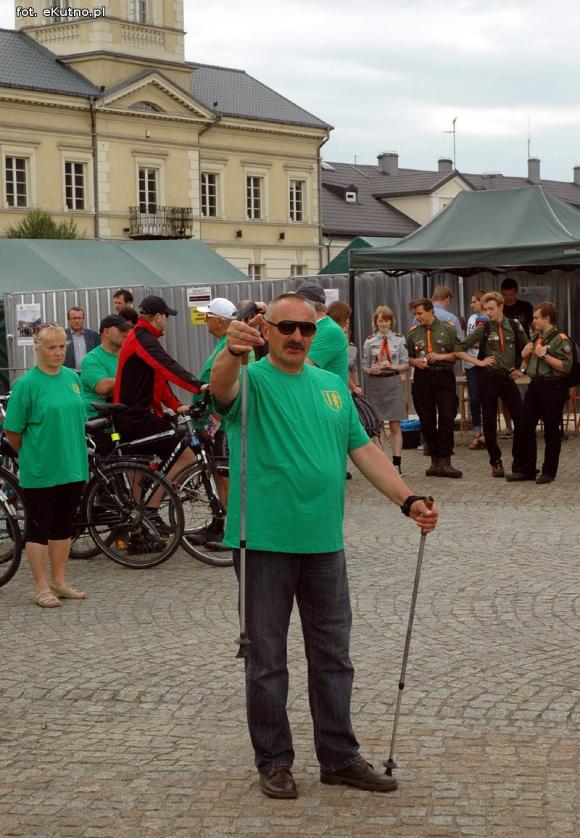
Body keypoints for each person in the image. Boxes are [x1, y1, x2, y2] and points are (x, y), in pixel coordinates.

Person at [209, 292, 438, 799]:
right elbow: (220, 389)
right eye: (286, 327)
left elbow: (363, 450)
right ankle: (274, 760)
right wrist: (230, 350)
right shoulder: (250, 378)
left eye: (305, 329)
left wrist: (407, 500)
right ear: (266, 330)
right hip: (262, 542)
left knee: (334, 656)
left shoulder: (332, 387)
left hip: (323, 543)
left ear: (317, 333)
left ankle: (339, 757)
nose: (296, 337)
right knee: (266, 659)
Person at [4, 324, 89, 608]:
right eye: (52, 347)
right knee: (39, 527)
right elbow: (13, 431)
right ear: (38, 350)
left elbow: (78, 415)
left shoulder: (71, 377)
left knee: (64, 527)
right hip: (41, 468)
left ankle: (59, 581)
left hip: (73, 464)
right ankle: (41, 586)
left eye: (62, 346)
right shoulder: (27, 385)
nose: (58, 352)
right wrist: (32, 453)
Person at [114, 296, 203, 480]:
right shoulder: (142, 337)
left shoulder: (142, 335)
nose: (168, 320)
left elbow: (158, 378)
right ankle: (150, 506)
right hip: (135, 417)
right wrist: (199, 386)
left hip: (135, 414)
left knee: (140, 467)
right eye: (167, 316)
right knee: (185, 458)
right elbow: (167, 365)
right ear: (158, 317)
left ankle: (144, 507)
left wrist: (175, 405)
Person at [455, 291, 528, 478]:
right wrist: (479, 363)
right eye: (486, 309)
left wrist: (522, 369)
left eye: (491, 309)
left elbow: (528, 349)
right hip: (488, 378)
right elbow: (459, 349)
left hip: (507, 378)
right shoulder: (483, 328)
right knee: (489, 421)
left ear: (501, 307)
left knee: (521, 418)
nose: (488, 312)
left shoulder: (514, 325)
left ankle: (518, 460)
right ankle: (495, 461)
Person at [506, 302, 573, 484]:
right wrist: (524, 360)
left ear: (547, 319)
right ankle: (527, 469)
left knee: (551, 431)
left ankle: (549, 472)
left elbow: (565, 367)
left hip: (553, 387)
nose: (533, 321)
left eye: (536, 318)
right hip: (535, 386)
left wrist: (545, 355)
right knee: (524, 426)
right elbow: (530, 365)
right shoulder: (537, 338)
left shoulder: (561, 339)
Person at [191, 297, 237, 543]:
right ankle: (219, 524)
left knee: (224, 473)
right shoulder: (223, 342)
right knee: (218, 473)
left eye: (208, 316)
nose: (205, 319)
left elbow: (232, 381)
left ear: (220, 321)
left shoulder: (230, 344)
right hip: (214, 418)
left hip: (221, 421)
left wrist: (216, 416)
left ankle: (228, 528)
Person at [406, 298, 462, 478]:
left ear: (431, 311)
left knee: (446, 417)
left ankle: (446, 460)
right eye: (415, 314)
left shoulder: (448, 329)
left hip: (444, 376)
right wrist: (415, 362)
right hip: (423, 377)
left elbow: (458, 354)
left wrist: (440, 357)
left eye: (420, 313)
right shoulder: (413, 333)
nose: (417, 317)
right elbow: (407, 357)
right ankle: (435, 460)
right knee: (427, 420)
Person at [362, 306, 409, 472]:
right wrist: (369, 370)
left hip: (392, 382)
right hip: (375, 384)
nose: (383, 324)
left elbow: (406, 364)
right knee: (378, 425)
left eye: (386, 320)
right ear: (375, 322)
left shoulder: (399, 339)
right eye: (380, 320)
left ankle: (397, 463)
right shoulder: (369, 341)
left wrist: (393, 365)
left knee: (395, 425)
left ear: (391, 321)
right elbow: (364, 365)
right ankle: (381, 465)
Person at [295, 281, 348, 384]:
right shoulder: (319, 327)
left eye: (296, 303)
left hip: (328, 397)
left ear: (306, 305)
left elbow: (299, 367)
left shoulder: (330, 331)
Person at [80, 314, 131, 419]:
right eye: (122, 330)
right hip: (97, 421)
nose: (126, 334)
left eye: (127, 330)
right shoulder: (92, 359)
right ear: (107, 332)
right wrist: (132, 381)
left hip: (120, 415)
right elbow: (103, 387)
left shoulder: (126, 357)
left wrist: (115, 385)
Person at [464, 290, 487, 450]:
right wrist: (472, 343)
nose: (472, 305)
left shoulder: (490, 317)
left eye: (474, 301)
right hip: (472, 362)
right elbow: (468, 339)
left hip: (486, 362)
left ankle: (487, 433)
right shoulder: (472, 319)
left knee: (487, 398)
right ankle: (476, 432)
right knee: (474, 398)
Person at [326, 301, 361, 395]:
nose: (348, 320)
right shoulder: (329, 338)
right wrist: (353, 387)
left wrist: (357, 387)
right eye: (346, 317)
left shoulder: (351, 346)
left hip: (344, 389)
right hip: (330, 388)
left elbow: (353, 368)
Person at [64, 306, 100, 372]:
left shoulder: (94, 336)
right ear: (69, 320)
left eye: (79, 318)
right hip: (69, 374)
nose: (77, 321)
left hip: (89, 373)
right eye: (74, 318)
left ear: (83, 319)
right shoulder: (62, 336)